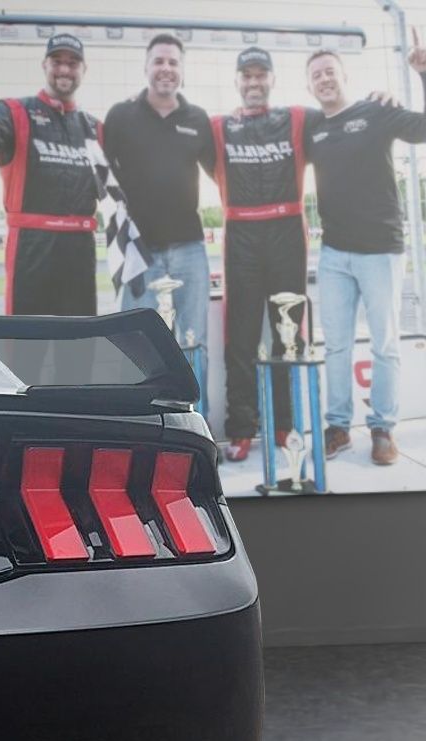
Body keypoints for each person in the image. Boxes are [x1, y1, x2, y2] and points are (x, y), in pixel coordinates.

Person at [305, 37, 426, 465]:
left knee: (385, 346)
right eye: (316, 74)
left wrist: (422, 72)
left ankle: (382, 429)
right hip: (334, 254)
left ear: (344, 76)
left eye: (329, 71)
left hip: (381, 250)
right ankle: (338, 427)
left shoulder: (375, 111)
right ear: (310, 85)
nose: (324, 78)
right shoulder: (312, 128)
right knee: (335, 346)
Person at [0, 34, 101, 315]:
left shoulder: (95, 128)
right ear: (44, 65)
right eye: (57, 61)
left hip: (80, 250)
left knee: (81, 349)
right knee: (25, 348)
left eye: (73, 62)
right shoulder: (14, 111)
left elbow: (128, 182)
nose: (65, 69)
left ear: (84, 69)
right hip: (31, 247)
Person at [211, 48, 312, 462]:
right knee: (242, 337)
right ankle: (241, 428)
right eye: (246, 76)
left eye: (261, 76)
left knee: (289, 337)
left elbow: (344, 124)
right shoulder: (218, 126)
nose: (254, 83)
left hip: (288, 233)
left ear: (272, 79)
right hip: (241, 236)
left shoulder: (298, 118)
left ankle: (286, 425)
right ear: (237, 81)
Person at [103, 35, 214, 343]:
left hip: (191, 250)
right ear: (146, 67)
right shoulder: (121, 116)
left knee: (194, 343)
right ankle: (150, 396)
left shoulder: (199, 119)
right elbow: (99, 179)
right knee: (141, 348)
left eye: (173, 62)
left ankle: (195, 395)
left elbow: (224, 176)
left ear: (182, 70)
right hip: (139, 251)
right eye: (159, 61)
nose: (166, 68)